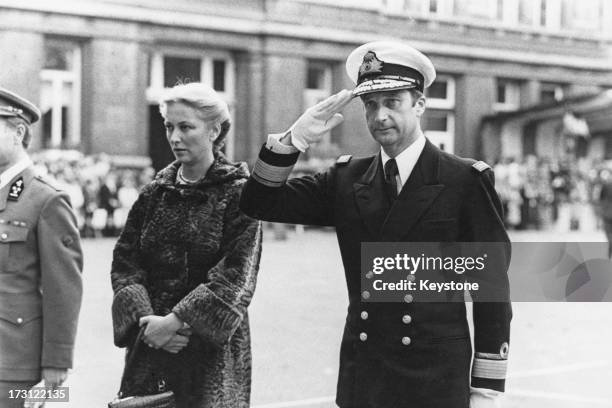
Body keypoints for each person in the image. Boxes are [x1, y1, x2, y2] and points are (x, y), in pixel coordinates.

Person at [240, 41, 511, 408]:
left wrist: (485, 388)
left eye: (392, 102)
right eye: (370, 105)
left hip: (434, 378)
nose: (379, 116)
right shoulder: (347, 178)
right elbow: (259, 202)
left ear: (419, 104)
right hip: (365, 374)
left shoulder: (464, 179)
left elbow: (492, 290)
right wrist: (294, 139)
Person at [110, 82, 261, 408]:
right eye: (169, 126)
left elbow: (237, 276)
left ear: (214, 130)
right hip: (151, 344)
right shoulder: (154, 193)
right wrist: (147, 321)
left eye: (185, 127)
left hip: (209, 356)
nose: (174, 137)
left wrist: (176, 322)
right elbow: (125, 261)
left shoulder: (239, 193)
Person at [0, 88, 83, 407]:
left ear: (18, 132)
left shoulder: (46, 200)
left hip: (14, 362)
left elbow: (63, 289)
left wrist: (56, 365)